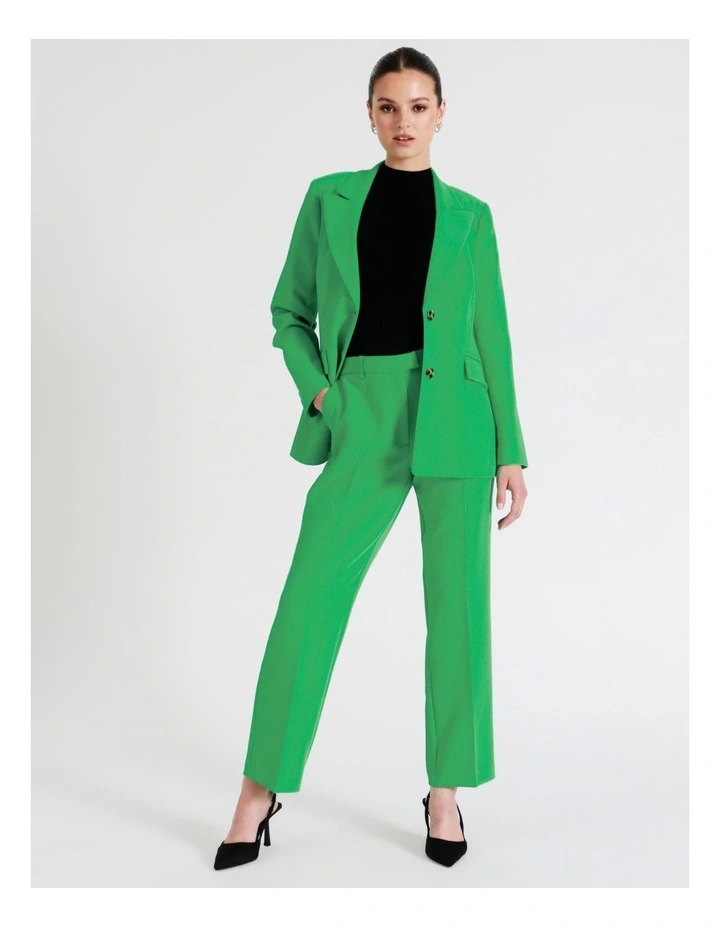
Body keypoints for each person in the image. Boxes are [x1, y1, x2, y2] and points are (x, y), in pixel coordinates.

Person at [214, 46, 528, 871]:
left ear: (441, 113)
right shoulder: (330, 199)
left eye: (418, 106)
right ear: (370, 113)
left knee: (459, 613)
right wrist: (324, 394)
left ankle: (445, 793)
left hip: (458, 421)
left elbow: (491, 332)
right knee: (309, 601)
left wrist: (512, 448)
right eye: (389, 106)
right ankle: (258, 789)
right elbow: (289, 312)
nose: (403, 121)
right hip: (363, 414)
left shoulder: (471, 216)